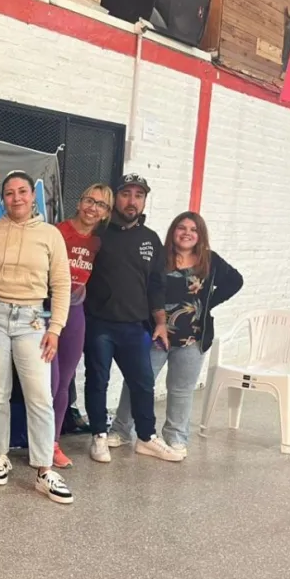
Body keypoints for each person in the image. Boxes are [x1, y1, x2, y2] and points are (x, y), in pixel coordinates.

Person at [0, 171, 73, 504]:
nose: (16, 198)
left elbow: (62, 284)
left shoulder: (50, 234)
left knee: (39, 396)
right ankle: (0, 456)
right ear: (3, 198)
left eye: (23, 191)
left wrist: (55, 329)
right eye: (10, 193)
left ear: (33, 196)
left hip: (32, 320)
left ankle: (44, 470)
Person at [110, 212, 243, 454]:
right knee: (137, 384)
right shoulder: (159, 257)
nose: (187, 233)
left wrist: (207, 303)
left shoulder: (209, 260)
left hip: (192, 338)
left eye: (193, 229)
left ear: (200, 235)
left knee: (181, 389)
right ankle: (121, 430)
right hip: (155, 334)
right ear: (173, 231)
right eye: (182, 228)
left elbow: (235, 281)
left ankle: (176, 435)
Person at [83, 174, 179, 463]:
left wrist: (160, 322)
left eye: (139, 195)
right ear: (116, 199)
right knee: (97, 381)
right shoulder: (97, 234)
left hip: (136, 326)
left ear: (144, 201)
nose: (132, 201)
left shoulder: (150, 239)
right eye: (126, 194)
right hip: (99, 323)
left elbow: (156, 285)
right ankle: (99, 435)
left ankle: (146, 437)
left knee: (143, 383)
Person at [50, 184, 112, 468]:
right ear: (79, 203)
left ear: (105, 213)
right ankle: (35, 438)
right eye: (89, 200)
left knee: (64, 381)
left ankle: (52, 443)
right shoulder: (57, 232)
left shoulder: (99, 243)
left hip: (75, 312)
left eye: (101, 205)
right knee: (48, 381)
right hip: (47, 309)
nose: (93, 208)